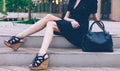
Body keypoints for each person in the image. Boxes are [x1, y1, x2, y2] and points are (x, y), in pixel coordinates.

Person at [4, 0, 99, 70]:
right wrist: (72, 20)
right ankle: (19, 37)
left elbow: (96, 18)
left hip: (80, 31)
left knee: (51, 24)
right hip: (70, 25)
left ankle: (41, 55)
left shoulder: (91, 1)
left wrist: (105, 31)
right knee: (48, 17)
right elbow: (66, 18)